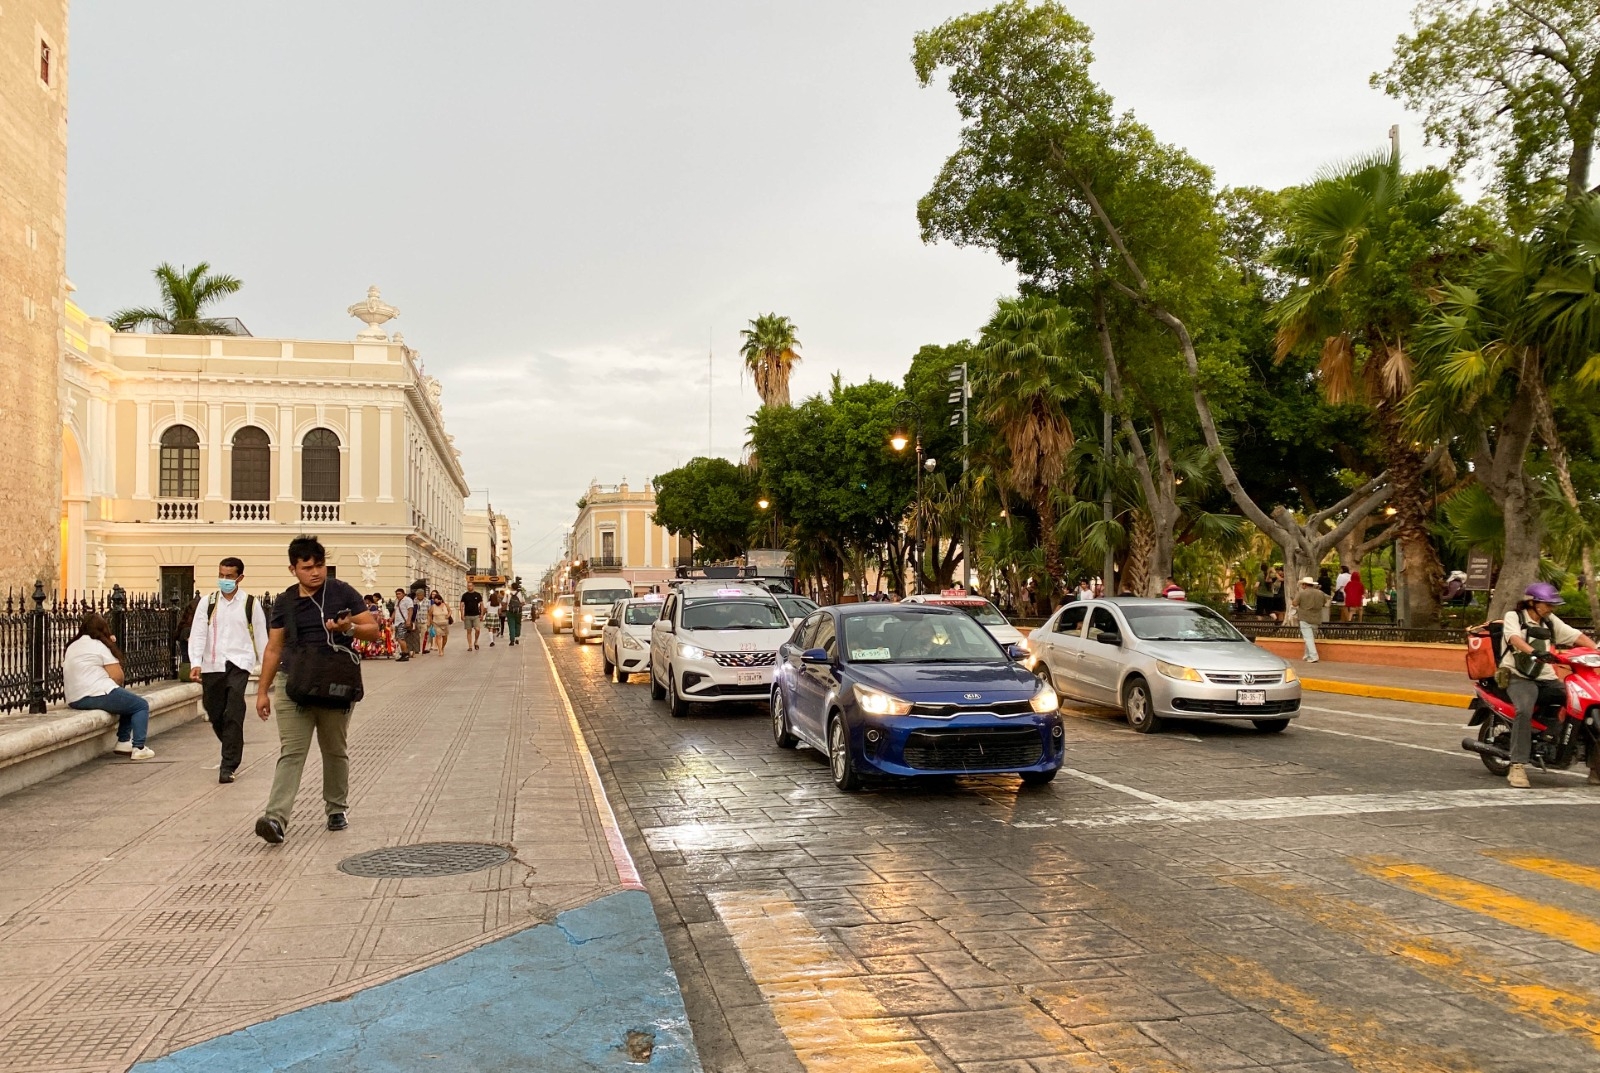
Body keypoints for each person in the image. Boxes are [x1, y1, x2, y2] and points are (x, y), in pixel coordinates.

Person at [253, 536, 378, 844]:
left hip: (335, 682)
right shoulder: (285, 602)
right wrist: (262, 691)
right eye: (307, 567)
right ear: (293, 569)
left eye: (320, 566)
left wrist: (348, 628)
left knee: (334, 749)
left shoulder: (342, 592)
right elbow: (273, 648)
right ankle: (275, 818)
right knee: (292, 752)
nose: (315, 573)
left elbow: (373, 631)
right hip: (293, 683)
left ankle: (336, 808)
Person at [1499, 582, 1598, 788]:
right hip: (1518, 676)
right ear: (1533, 603)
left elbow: (1575, 636)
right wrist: (1533, 651)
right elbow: (1514, 638)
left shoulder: (1549, 620)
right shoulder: (1514, 617)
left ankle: (1595, 766)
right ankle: (1517, 765)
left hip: (1546, 678)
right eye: (1547, 604)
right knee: (1524, 711)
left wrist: (1595, 650)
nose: (1551, 608)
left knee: (1583, 705)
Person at [187, 556, 269, 783]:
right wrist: (195, 662)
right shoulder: (208, 602)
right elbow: (198, 633)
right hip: (212, 663)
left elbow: (262, 637)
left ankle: (228, 764)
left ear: (240, 578)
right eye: (221, 575)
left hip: (239, 662)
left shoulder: (250, 603)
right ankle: (233, 743)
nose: (224, 580)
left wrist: (266, 671)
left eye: (229, 576)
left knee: (234, 709)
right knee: (213, 710)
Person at [65, 612, 155, 760]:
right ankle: (139, 747)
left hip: (74, 698)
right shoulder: (99, 646)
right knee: (140, 705)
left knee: (127, 701)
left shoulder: (73, 645)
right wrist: (110, 645)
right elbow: (118, 677)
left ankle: (124, 741)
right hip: (95, 693)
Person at [1293, 577, 1330, 663]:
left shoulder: (1301, 593)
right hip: (1316, 618)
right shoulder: (1321, 593)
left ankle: (1314, 656)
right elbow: (1325, 603)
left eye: (1302, 584)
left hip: (1304, 618)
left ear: (1305, 585)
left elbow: (1294, 603)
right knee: (1310, 638)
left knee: (1308, 638)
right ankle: (1307, 655)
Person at [393, 587, 414, 662]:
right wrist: (391, 619)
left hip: (403, 621)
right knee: (398, 638)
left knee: (401, 638)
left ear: (403, 594)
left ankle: (405, 654)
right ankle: (403, 653)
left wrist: (408, 620)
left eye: (399, 594)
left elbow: (410, 610)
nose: (397, 595)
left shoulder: (407, 600)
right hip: (397, 622)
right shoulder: (397, 601)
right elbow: (395, 610)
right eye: (396, 594)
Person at [460, 585, 484, 651]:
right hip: (467, 615)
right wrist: (462, 614)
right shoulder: (465, 595)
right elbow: (461, 605)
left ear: (473, 586)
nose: (469, 587)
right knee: (469, 631)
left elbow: (482, 604)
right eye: (468, 586)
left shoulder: (477, 594)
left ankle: (476, 641)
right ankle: (470, 646)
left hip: (476, 615)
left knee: (477, 629)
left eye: (470, 586)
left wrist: (482, 614)